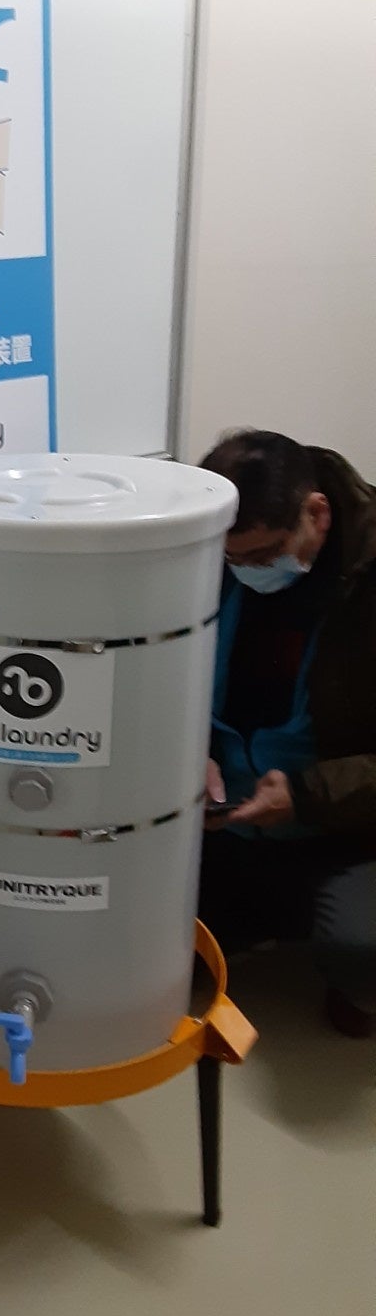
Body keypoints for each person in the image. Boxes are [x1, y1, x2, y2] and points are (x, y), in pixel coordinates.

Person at [198, 429, 376, 1036]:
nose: (247, 571)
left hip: (348, 825)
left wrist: (306, 794)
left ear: (317, 514)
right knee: (131, 928)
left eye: (262, 555)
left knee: (362, 954)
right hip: (228, 816)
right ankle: (266, 912)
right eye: (232, 559)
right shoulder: (209, 552)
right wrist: (189, 754)